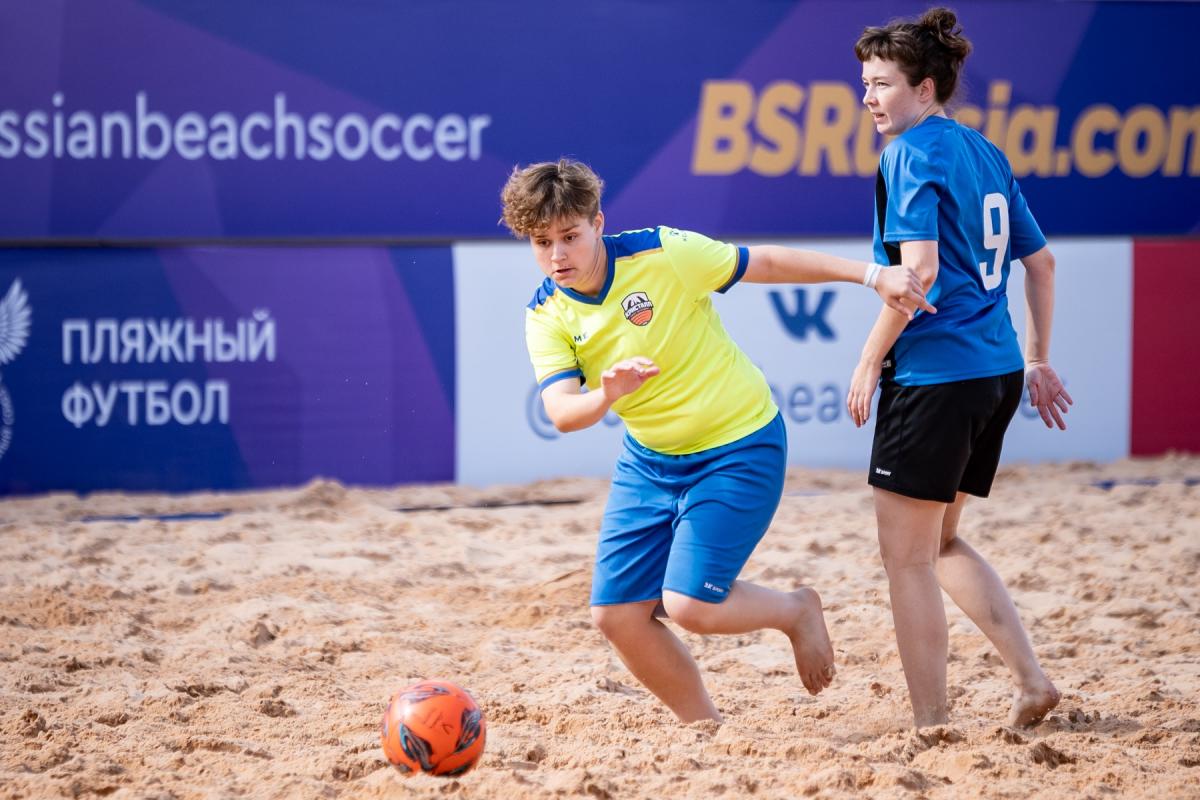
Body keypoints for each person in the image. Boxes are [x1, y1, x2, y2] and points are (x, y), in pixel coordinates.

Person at [500, 158, 934, 723]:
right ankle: (704, 730)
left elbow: (766, 262)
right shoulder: (546, 313)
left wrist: (873, 275)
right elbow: (561, 412)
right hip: (651, 462)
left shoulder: (663, 253)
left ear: (598, 223)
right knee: (616, 616)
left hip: (739, 444)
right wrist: (607, 394)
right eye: (542, 242)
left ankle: (795, 610)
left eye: (569, 236)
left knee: (689, 605)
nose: (558, 255)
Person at [846, 8, 1072, 729]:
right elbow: (1042, 263)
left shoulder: (909, 153)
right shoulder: (984, 152)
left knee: (907, 559)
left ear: (927, 87)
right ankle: (1031, 681)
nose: (869, 97)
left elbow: (919, 275)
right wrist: (1036, 358)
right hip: (996, 372)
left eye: (883, 83)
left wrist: (869, 357)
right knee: (939, 543)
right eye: (865, 83)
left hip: (935, 377)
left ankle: (931, 724)